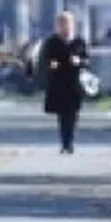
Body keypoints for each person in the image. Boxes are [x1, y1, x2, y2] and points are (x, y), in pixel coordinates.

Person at [37, 11, 90, 153]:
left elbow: (87, 60)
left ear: (72, 25)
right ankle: (65, 143)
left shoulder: (79, 42)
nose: (64, 26)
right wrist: (50, 64)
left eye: (67, 23)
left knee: (72, 114)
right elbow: (43, 60)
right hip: (58, 83)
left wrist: (79, 61)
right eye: (61, 24)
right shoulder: (52, 42)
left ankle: (70, 141)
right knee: (62, 114)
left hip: (74, 83)